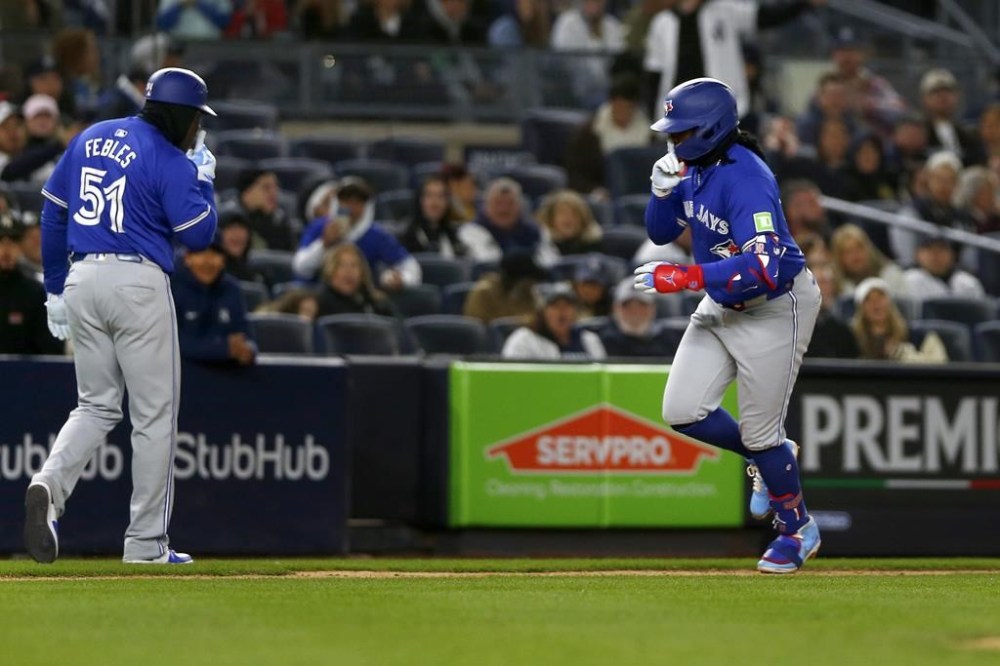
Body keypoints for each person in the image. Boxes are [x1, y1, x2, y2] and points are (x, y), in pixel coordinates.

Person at [26, 67, 220, 565]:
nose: (198, 128)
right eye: (196, 118)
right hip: (137, 282)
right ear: (180, 113)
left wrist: (53, 290)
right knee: (153, 415)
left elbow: (51, 211)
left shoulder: (90, 136)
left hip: (82, 279)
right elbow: (199, 236)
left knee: (95, 406)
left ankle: (49, 483)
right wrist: (203, 180)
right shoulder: (169, 157)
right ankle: (145, 544)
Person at [635, 77, 821, 573]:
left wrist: (687, 275)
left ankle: (797, 527)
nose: (674, 142)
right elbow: (660, 232)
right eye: (671, 133)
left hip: (775, 305)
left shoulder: (746, 177)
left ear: (710, 128)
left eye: (681, 132)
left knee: (762, 435)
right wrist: (661, 193)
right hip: (723, 301)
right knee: (682, 409)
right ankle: (771, 456)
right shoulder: (693, 167)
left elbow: (763, 268)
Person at [643, 0, 825, 120]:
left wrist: (804, 4)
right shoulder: (662, 23)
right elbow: (654, 75)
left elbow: (766, 16)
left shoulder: (724, 10)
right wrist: (654, 117)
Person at [293, 176, 421, 290]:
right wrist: (324, 244)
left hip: (358, 299)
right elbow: (300, 267)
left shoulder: (376, 236)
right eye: (346, 200)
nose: (351, 207)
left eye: (358, 202)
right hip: (317, 295)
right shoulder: (319, 227)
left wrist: (402, 279)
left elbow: (411, 267)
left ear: (367, 206)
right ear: (337, 202)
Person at [171, 234, 257, 366]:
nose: (208, 261)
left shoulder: (232, 289)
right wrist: (223, 349)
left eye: (215, 255)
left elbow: (246, 335)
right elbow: (172, 344)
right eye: (201, 254)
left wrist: (247, 350)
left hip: (229, 379)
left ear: (223, 261)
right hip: (184, 377)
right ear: (187, 258)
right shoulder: (171, 287)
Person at [564, 74, 652, 198]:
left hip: (636, 194)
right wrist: (594, 191)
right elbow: (574, 175)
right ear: (611, 103)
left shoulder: (650, 135)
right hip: (600, 195)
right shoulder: (588, 133)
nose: (623, 112)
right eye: (619, 106)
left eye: (628, 107)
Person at [0, 214, 63, 355]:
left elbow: (50, 349)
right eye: (1, 241)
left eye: (13, 241)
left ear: (20, 247)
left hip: (24, 374)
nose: (6, 249)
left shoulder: (35, 293)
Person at [501, 282, 607, 360]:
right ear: (542, 312)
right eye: (555, 306)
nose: (562, 312)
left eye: (567, 306)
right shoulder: (523, 340)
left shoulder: (589, 340)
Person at [851, 277, 946, 363]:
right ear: (860, 309)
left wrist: (905, 355)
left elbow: (939, 365)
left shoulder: (921, 337)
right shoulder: (850, 340)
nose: (876, 304)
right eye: (868, 299)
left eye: (881, 297)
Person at [463, 248, 550, 324]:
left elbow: (539, 321)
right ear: (516, 280)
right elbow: (479, 330)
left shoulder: (529, 294)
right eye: (529, 279)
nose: (533, 283)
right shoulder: (483, 294)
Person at [920, 68, 984, 167]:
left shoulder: (969, 135)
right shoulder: (919, 134)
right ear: (925, 99)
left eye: (948, 91)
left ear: (956, 96)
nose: (943, 96)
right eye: (936, 92)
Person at [597, 277, 677, 357]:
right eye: (627, 306)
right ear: (615, 309)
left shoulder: (669, 342)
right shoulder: (599, 341)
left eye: (642, 306)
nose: (635, 312)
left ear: (653, 309)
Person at [314, 243, 396, 317]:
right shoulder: (318, 303)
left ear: (362, 273)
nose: (349, 271)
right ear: (330, 270)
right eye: (342, 265)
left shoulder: (376, 303)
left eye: (354, 265)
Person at [399, 174, 469, 258]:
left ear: (447, 202)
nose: (435, 202)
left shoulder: (456, 236)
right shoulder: (405, 236)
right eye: (429, 195)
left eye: (440, 196)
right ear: (420, 200)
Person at [830, 223, 905, 296]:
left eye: (859, 248)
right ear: (838, 258)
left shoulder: (890, 274)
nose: (855, 255)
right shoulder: (838, 287)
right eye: (848, 252)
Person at [902, 235, 985, 300]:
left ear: (953, 255)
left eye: (941, 249)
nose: (935, 255)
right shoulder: (908, 280)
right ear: (917, 255)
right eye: (929, 249)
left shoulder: (968, 283)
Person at [535, 189, 603, 256]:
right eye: (562, 212)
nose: (568, 217)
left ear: (583, 219)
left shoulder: (594, 244)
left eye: (574, 213)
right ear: (550, 218)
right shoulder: (539, 245)